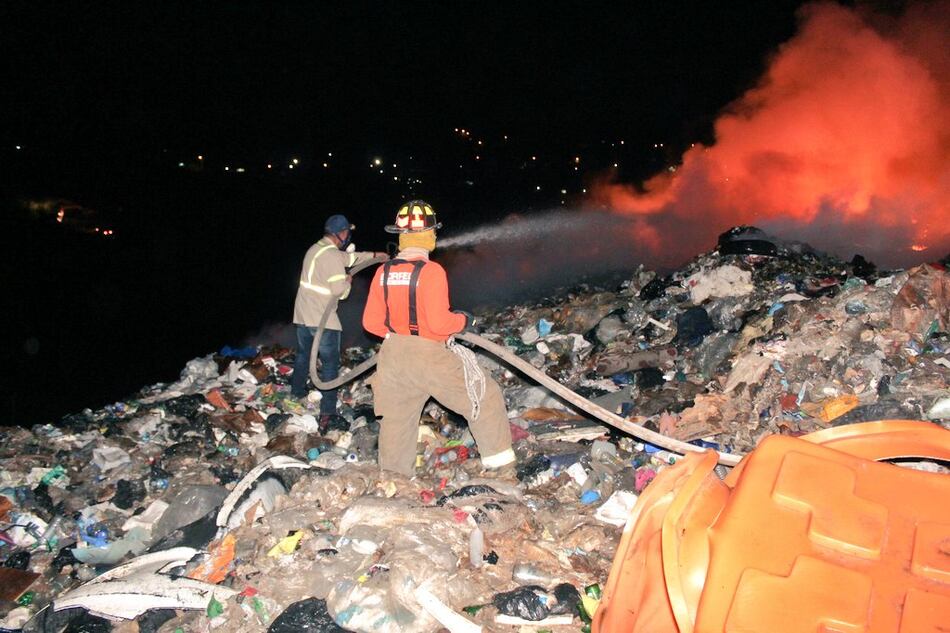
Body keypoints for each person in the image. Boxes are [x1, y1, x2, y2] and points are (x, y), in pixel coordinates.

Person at [362, 200, 515, 476]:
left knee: (398, 422)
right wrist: (464, 321)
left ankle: (395, 483)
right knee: (485, 397)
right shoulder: (431, 272)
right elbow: (439, 322)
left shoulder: (382, 272)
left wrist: (399, 337)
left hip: (393, 357)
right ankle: (502, 471)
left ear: (400, 235)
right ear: (429, 235)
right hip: (428, 355)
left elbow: (370, 322)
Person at [292, 214, 383, 422]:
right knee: (330, 366)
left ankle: (296, 393)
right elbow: (340, 292)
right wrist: (347, 280)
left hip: (303, 316)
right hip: (322, 320)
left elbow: (350, 258)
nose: (348, 235)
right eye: (347, 232)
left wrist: (377, 255)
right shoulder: (332, 257)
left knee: (303, 356)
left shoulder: (317, 249)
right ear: (340, 233)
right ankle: (328, 412)